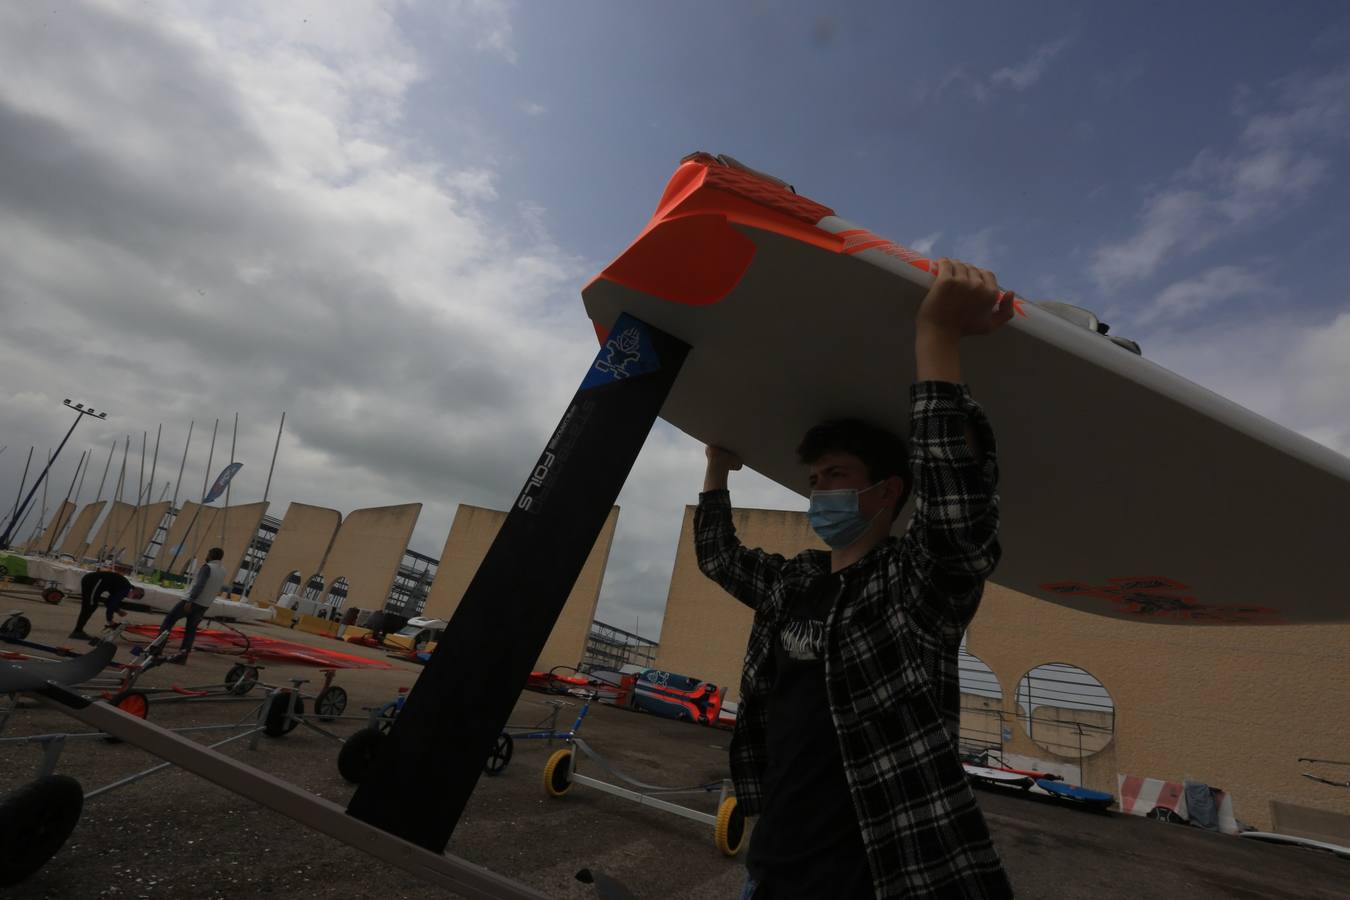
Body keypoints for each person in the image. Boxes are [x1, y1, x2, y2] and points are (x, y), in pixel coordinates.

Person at [697, 259, 1017, 899]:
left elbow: (956, 512)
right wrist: (717, 470)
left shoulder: (913, 586)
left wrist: (938, 338)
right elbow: (720, 558)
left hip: (880, 879)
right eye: (814, 481)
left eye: (836, 476)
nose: (819, 493)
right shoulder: (795, 584)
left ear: (887, 491)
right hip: (769, 872)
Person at [159, 546, 230, 664]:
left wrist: (190, 600)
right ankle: (182, 657)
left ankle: (156, 650)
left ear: (211, 555)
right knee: (190, 631)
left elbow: (199, 585)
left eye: (208, 554)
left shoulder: (207, 567)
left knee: (169, 621)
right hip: (204, 605)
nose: (206, 556)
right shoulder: (223, 570)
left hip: (193, 602)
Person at [71, 565, 145, 640]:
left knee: (90, 606)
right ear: (135, 591)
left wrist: (117, 610)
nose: (131, 598)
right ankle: (77, 632)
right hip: (94, 581)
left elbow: (108, 602)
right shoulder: (125, 589)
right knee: (89, 606)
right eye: (134, 596)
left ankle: (78, 631)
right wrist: (110, 620)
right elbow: (112, 604)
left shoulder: (123, 587)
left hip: (92, 580)